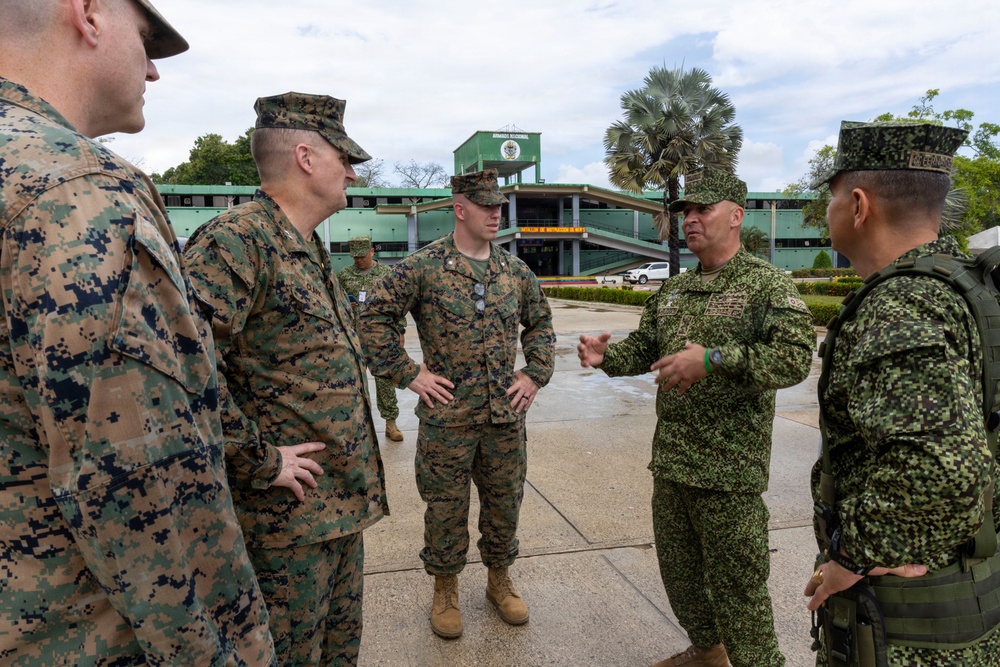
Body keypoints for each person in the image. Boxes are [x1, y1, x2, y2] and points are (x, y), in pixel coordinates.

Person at [0, 1, 276, 664]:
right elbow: (145, 495)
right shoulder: (79, 193)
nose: (153, 70)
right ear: (89, 12)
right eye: (147, 39)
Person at [183, 92, 388, 666]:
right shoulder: (237, 242)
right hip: (283, 529)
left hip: (335, 511)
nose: (351, 171)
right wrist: (259, 459)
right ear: (304, 156)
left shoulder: (306, 245)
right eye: (342, 157)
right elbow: (183, 368)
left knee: (337, 654)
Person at [578, 169, 814, 667]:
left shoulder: (765, 284)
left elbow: (793, 358)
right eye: (685, 211)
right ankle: (708, 653)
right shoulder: (674, 291)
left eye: (702, 209)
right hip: (672, 464)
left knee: (740, 593)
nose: (689, 219)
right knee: (681, 576)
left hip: (728, 472)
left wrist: (714, 360)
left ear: (735, 216)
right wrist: (607, 358)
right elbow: (645, 349)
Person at [804, 121, 1000, 663]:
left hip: (910, 629)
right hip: (973, 594)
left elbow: (944, 466)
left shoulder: (901, 306)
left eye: (833, 197)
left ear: (860, 205)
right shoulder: (972, 286)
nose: (829, 211)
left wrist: (855, 553)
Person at [359, 169, 555, 639]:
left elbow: (541, 325)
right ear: (459, 207)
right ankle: (445, 588)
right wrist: (410, 374)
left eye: (499, 206)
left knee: (505, 502)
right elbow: (373, 319)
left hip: (505, 418)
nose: (494, 213)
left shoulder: (515, 272)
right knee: (445, 506)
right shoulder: (423, 267)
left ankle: (499, 579)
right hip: (448, 418)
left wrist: (535, 373)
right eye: (485, 205)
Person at [338, 235, 405, 442]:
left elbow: (398, 303)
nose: (358, 260)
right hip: (352, 335)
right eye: (355, 256)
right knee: (352, 379)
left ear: (372, 251)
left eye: (362, 255)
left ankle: (390, 422)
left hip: (380, 336)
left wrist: (400, 330)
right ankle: (353, 424)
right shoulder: (343, 275)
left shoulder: (387, 273)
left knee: (384, 379)